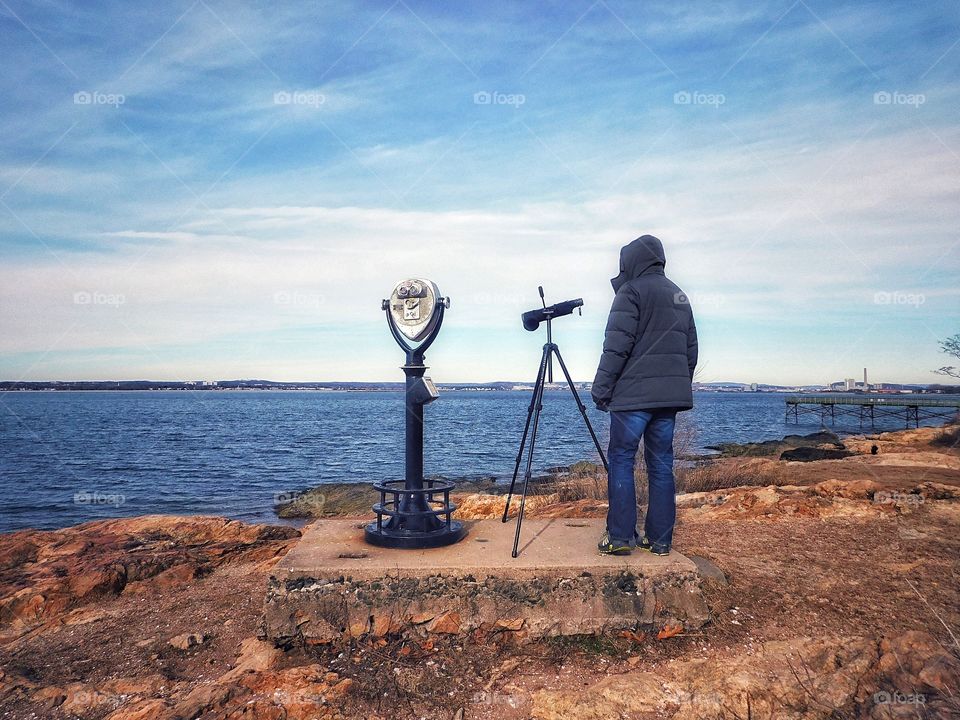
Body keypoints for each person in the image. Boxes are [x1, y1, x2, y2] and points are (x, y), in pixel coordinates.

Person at [591, 235, 698, 556]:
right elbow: (690, 350)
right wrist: (678, 385)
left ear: (632, 262)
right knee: (661, 465)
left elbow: (616, 347)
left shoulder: (631, 291)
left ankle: (621, 537)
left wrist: (601, 389)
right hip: (668, 399)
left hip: (632, 399)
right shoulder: (679, 294)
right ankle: (660, 540)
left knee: (622, 460)